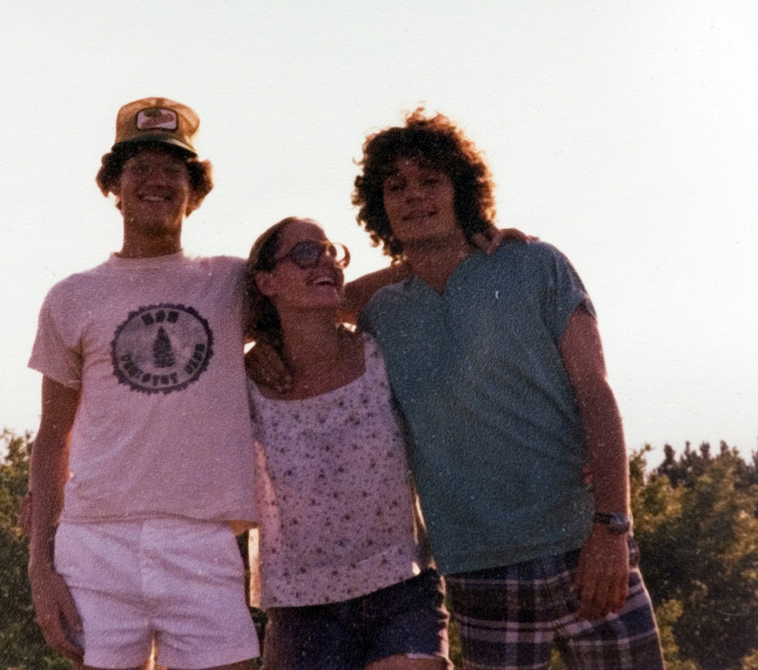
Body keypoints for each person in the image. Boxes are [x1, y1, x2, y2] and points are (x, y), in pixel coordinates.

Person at [351, 109, 665, 670]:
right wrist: (416, 263)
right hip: (477, 566)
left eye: (429, 180)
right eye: (395, 186)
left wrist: (613, 528)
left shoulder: (536, 265)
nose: (413, 196)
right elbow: (281, 312)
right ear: (379, 206)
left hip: (585, 545)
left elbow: (596, 392)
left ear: (461, 189)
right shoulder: (380, 311)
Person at [26, 97, 260, 670]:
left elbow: (328, 299)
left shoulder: (233, 283)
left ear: (195, 190)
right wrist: (40, 566)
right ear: (115, 185)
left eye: (172, 169)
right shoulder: (71, 297)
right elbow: (51, 437)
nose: (155, 181)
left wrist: (446, 253)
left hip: (204, 539)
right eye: (139, 168)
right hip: (95, 540)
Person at [244, 217, 451, 670]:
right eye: (304, 254)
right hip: (302, 606)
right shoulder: (247, 383)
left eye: (330, 251)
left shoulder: (381, 352)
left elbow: (426, 269)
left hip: (402, 585)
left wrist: (480, 240)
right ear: (266, 281)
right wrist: (259, 344)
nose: (325, 261)